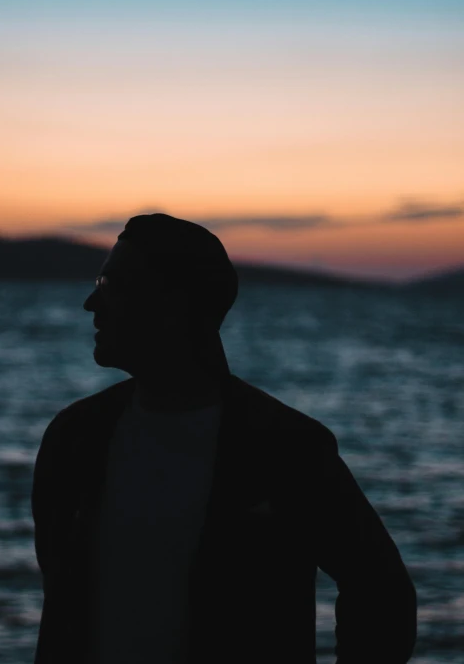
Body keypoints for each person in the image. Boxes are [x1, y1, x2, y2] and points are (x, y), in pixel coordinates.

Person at [31, 213, 417, 664]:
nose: (90, 304)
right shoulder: (74, 438)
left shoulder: (285, 447)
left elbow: (380, 590)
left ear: (171, 304)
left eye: (109, 284)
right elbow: (62, 605)